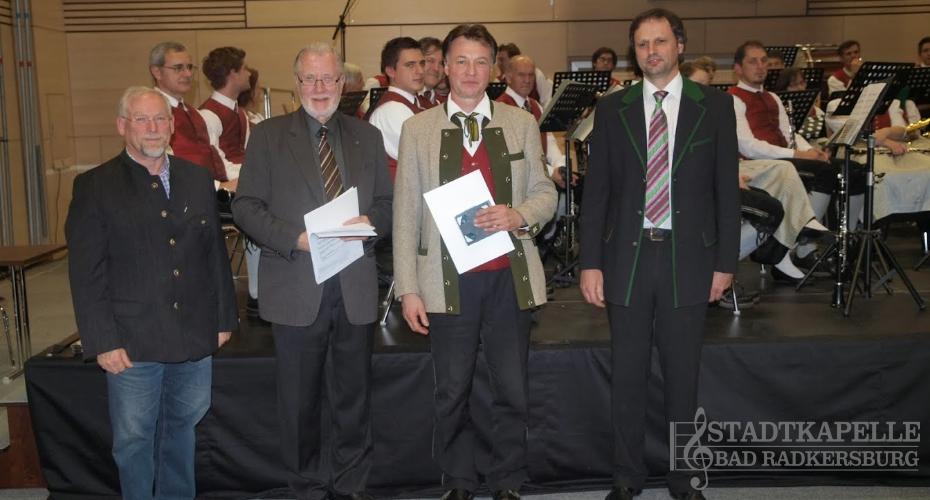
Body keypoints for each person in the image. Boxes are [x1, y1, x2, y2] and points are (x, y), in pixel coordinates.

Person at [579, 9, 739, 500]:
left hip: (688, 260)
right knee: (626, 377)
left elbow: (726, 192)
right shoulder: (613, 108)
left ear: (680, 45)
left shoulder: (715, 106)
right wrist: (590, 262)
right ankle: (626, 477)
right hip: (625, 261)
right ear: (635, 51)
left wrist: (725, 264)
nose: (652, 51)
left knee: (683, 380)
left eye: (661, 41)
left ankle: (684, 478)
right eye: (643, 43)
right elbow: (597, 192)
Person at [393, 23, 557, 500]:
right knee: (452, 390)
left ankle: (507, 479)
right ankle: (459, 479)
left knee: (512, 388)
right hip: (446, 282)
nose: (470, 71)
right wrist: (408, 288)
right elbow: (405, 212)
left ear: (493, 68)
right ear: (444, 67)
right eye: (461, 61)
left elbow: (544, 192)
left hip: (509, 279)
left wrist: (518, 214)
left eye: (480, 61)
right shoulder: (417, 129)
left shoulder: (520, 122)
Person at [232, 42, 392, 500]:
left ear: (342, 83)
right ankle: (307, 486)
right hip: (296, 283)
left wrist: (371, 224)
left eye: (328, 78)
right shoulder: (268, 137)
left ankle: (351, 485)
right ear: (297, 83)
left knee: (353, 398)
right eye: (310, 78)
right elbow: (245, 206)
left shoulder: (367, 136)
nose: (320, 87)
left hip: (354, 284)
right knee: (299, 402)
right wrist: (295, 238)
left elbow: (387, 202)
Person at [66, 86, 238, 500]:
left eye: (160, 118)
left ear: (172, 125)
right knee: (133, 440)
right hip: (131, 341)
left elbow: (214, 254)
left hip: (193, 332)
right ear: (121, 126)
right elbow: (86, 274)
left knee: (183, 430)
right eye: (141, 119)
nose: (152, 128)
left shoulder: (197, 178)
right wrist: (102, 340)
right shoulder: (95, 186)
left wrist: (222, 319)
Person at [728, 40, 866, 278]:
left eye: (763, 61)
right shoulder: (733, 98)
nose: (760, 66)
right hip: (760, 163)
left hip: (784, 156)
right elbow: (748, 146)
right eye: (753, 62)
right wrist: (798, 154)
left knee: (853, 170)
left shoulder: (773, 97)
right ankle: (796, 245)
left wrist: (813, 152)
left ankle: (846, 241)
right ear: (738, 68)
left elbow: (789, 134)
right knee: (823, 173)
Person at [149, 41, 233, 191]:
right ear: (157, 72)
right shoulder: (151, 114)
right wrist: (220, 187)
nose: (188, 74)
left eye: (189, 67)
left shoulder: (195, 113)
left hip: (210, 191)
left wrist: (245, 178)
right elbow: (162, 169)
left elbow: (216, 159)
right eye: (178, 68)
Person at [495, 54, 567, 188]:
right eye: (521, 75)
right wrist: (551, 172)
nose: (527, 80)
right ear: (508, 78)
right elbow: (518, 155)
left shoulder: (536, 105)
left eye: (531, 75)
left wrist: (560, 167)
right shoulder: (501, 108)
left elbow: (549, 141)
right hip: (517, 185)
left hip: (541, 181)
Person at [367, 37, 426, 180]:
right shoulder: (392, 110)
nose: (420, 71)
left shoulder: (412, 102)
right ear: (390, 71)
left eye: (422, 63)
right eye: (410, 65)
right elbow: (426, 159)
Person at [419, 36, 448, 108]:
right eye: (430, 61)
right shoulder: (403, 100)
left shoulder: (444, 105)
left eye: (441, 63)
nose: (436, 68)